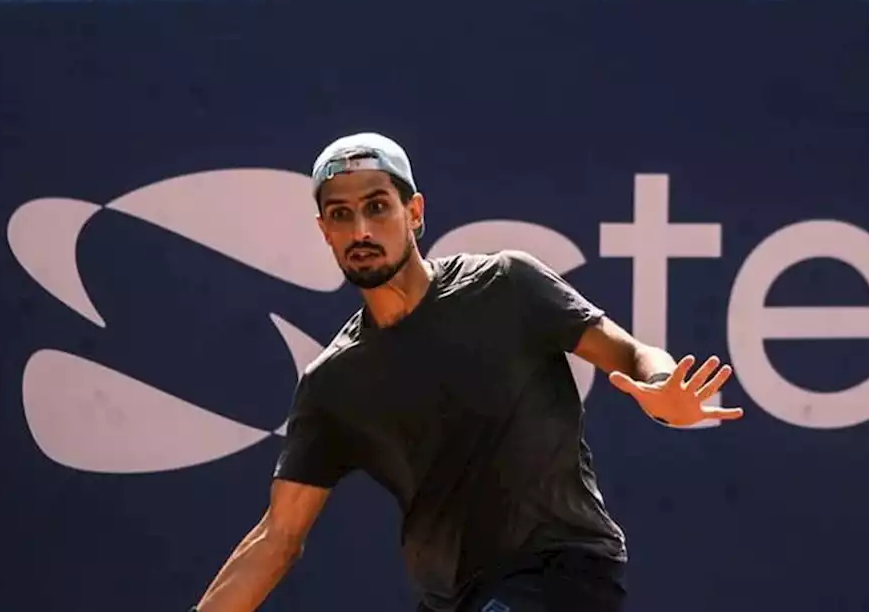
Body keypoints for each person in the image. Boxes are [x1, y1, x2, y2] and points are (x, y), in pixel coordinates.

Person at [192, 133, 743, 612]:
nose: (361, 228)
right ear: (325, 232)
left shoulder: (507, 284)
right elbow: (278, 536)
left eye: (378, 207)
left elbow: (633, 355)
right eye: (341, 215)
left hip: (563, 572)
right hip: (454, 598)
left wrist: (661, 391)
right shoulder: (334, 382)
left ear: (415, 213)